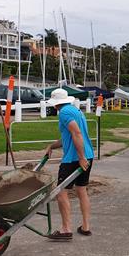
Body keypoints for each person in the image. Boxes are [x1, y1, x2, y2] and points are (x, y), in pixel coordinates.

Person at [44, 88, 94, 240]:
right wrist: (51, 146)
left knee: (61, 192)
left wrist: (80, 157)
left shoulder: (64, 113)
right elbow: (68, 137)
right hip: (88, 155)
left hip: (73, 159)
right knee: (81, 190)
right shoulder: (76, 111)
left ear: (55, 104)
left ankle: (66, 229)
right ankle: (85, 227)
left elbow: (76, 133)